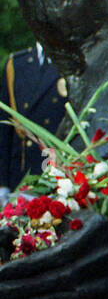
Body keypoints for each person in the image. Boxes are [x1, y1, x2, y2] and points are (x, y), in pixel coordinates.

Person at [0, 44, 65, 200]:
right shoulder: (17, 63)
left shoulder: (69, 62)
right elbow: (4, 129)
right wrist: (2, 183)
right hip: (19, 174)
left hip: (55, 178)